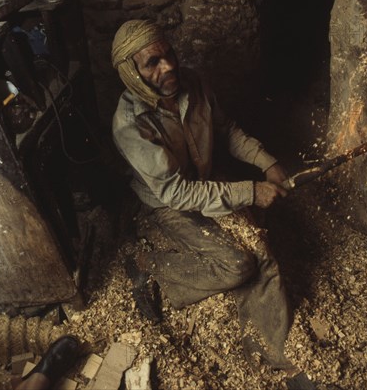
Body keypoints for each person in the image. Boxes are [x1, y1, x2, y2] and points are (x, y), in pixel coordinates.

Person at [111, 20, 315, 389]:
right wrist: (249, 192)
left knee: (261, 251)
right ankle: (150, 262)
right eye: (152, 62)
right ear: (132, 73)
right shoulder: (130, 125)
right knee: (238, 265)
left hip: (203, 182)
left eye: (168, 54)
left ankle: (274, 349)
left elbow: (227, 129)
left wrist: (265, 161)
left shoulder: (193, 82)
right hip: (168, 203)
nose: (168, 66)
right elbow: (177, 194)